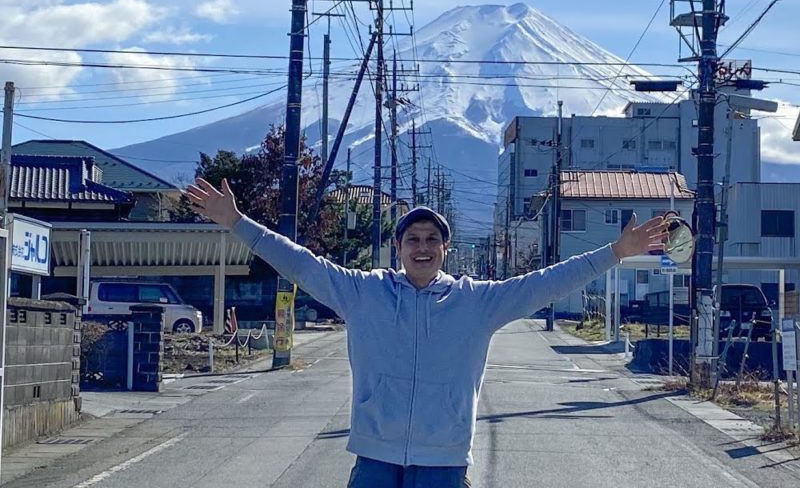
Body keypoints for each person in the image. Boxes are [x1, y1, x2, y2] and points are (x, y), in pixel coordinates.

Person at [185, 177, 669, 488]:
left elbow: (547, 282)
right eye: (412, 239)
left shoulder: (478, 302)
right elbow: (300, 263)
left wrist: (614, 252)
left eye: (431, 239)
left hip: (444, 460)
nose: (422, 247)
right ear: (397, 247)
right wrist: (237, 223)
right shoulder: (362, 292)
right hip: (374, 457)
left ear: (445, 249)